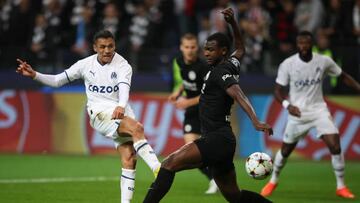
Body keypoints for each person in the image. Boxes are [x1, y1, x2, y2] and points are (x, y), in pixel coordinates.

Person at [143, 8, 273, 203]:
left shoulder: (221, 72)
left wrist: (255, 121)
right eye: (206, 49)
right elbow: (241, 48)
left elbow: (238, 93)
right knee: (234, 196)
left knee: (168, 164)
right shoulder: (231, 64)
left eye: (211, 49)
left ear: (222, 51)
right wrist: (234, 23)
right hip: (223, 141)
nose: (206, 53)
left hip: (216, 138)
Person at [16, 30, 161, 203]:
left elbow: (124, 87)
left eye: (110, 46)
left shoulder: (123, 65)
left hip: (119, 110)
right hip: (99, 112)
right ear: (94, 47)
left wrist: (121, 105)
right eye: (102, 47)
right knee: (137, 128)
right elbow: (57, 81)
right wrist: (34, 75)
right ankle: (160, 170)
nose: (107, 50)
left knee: (129, 157)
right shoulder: (85, 65)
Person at [261, 31, 360, 199]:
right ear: (297, 44)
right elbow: (278, 91)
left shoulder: (323, 61)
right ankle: (273, 180)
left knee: (335, 146)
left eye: (306, 43)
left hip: (319, 110)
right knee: (285, 150)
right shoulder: (288, 64)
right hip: (297, 113)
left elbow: (342, 76)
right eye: (300, 43)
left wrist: (358, 88)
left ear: (311, 44)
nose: (303, 46)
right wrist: (288, 105)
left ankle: (341, 186)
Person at [168, 33, 217, 194]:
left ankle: (218, 177)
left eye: (193, 47)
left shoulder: (204, 68)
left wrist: (186, 102)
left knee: (205, 151)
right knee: (191, 151)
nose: (189, 50)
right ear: (181, 48)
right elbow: (184, 81)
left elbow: (208, 94)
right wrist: (177, 92)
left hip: (206, 111)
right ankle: (214, 179)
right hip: (191, 112)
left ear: (198, 48)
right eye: (186, 47)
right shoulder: (179, 61)